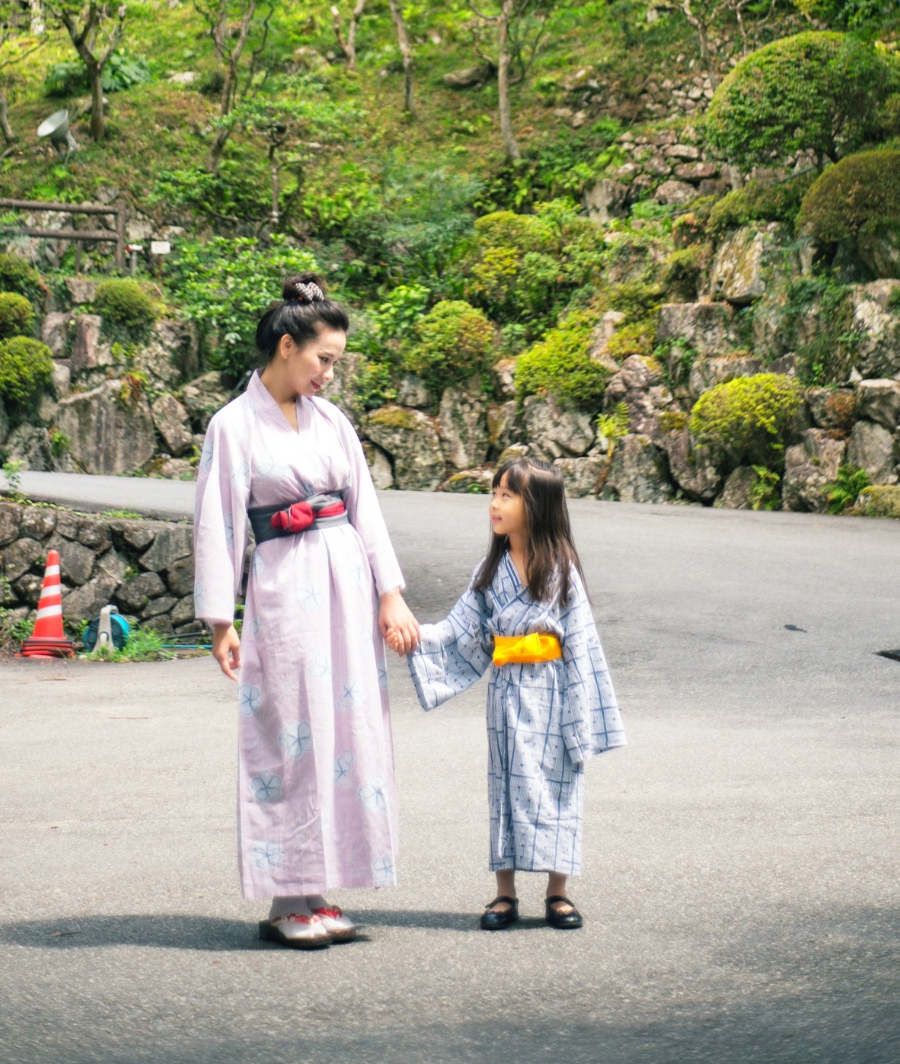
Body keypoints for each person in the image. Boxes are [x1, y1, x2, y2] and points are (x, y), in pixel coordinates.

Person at [193, 274, 421, 948]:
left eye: (337, 363)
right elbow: (218, 522)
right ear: (287, 346)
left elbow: (366, 507)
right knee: (290, 730)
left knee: (344, 733)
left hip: (345, 581)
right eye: (324, 359)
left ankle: (316, 889)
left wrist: (390, 591)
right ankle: (285, 895)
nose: (330, 374)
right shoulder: (233, 426)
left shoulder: (332, 422)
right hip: (284, 585)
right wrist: (221, 620)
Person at [407, 454, 624, 932]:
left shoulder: (561, 568)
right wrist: (415, 635)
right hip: (507, 695)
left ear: (537, 506)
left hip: (553, 690)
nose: (495, 503)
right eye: (495, 493)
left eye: (507, 495)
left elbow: (582, 643)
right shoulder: (490, 568)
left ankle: (558, 891)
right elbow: (459, 627)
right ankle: (505, 892)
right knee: (505, 784)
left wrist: (583, 711)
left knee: (558, 784)